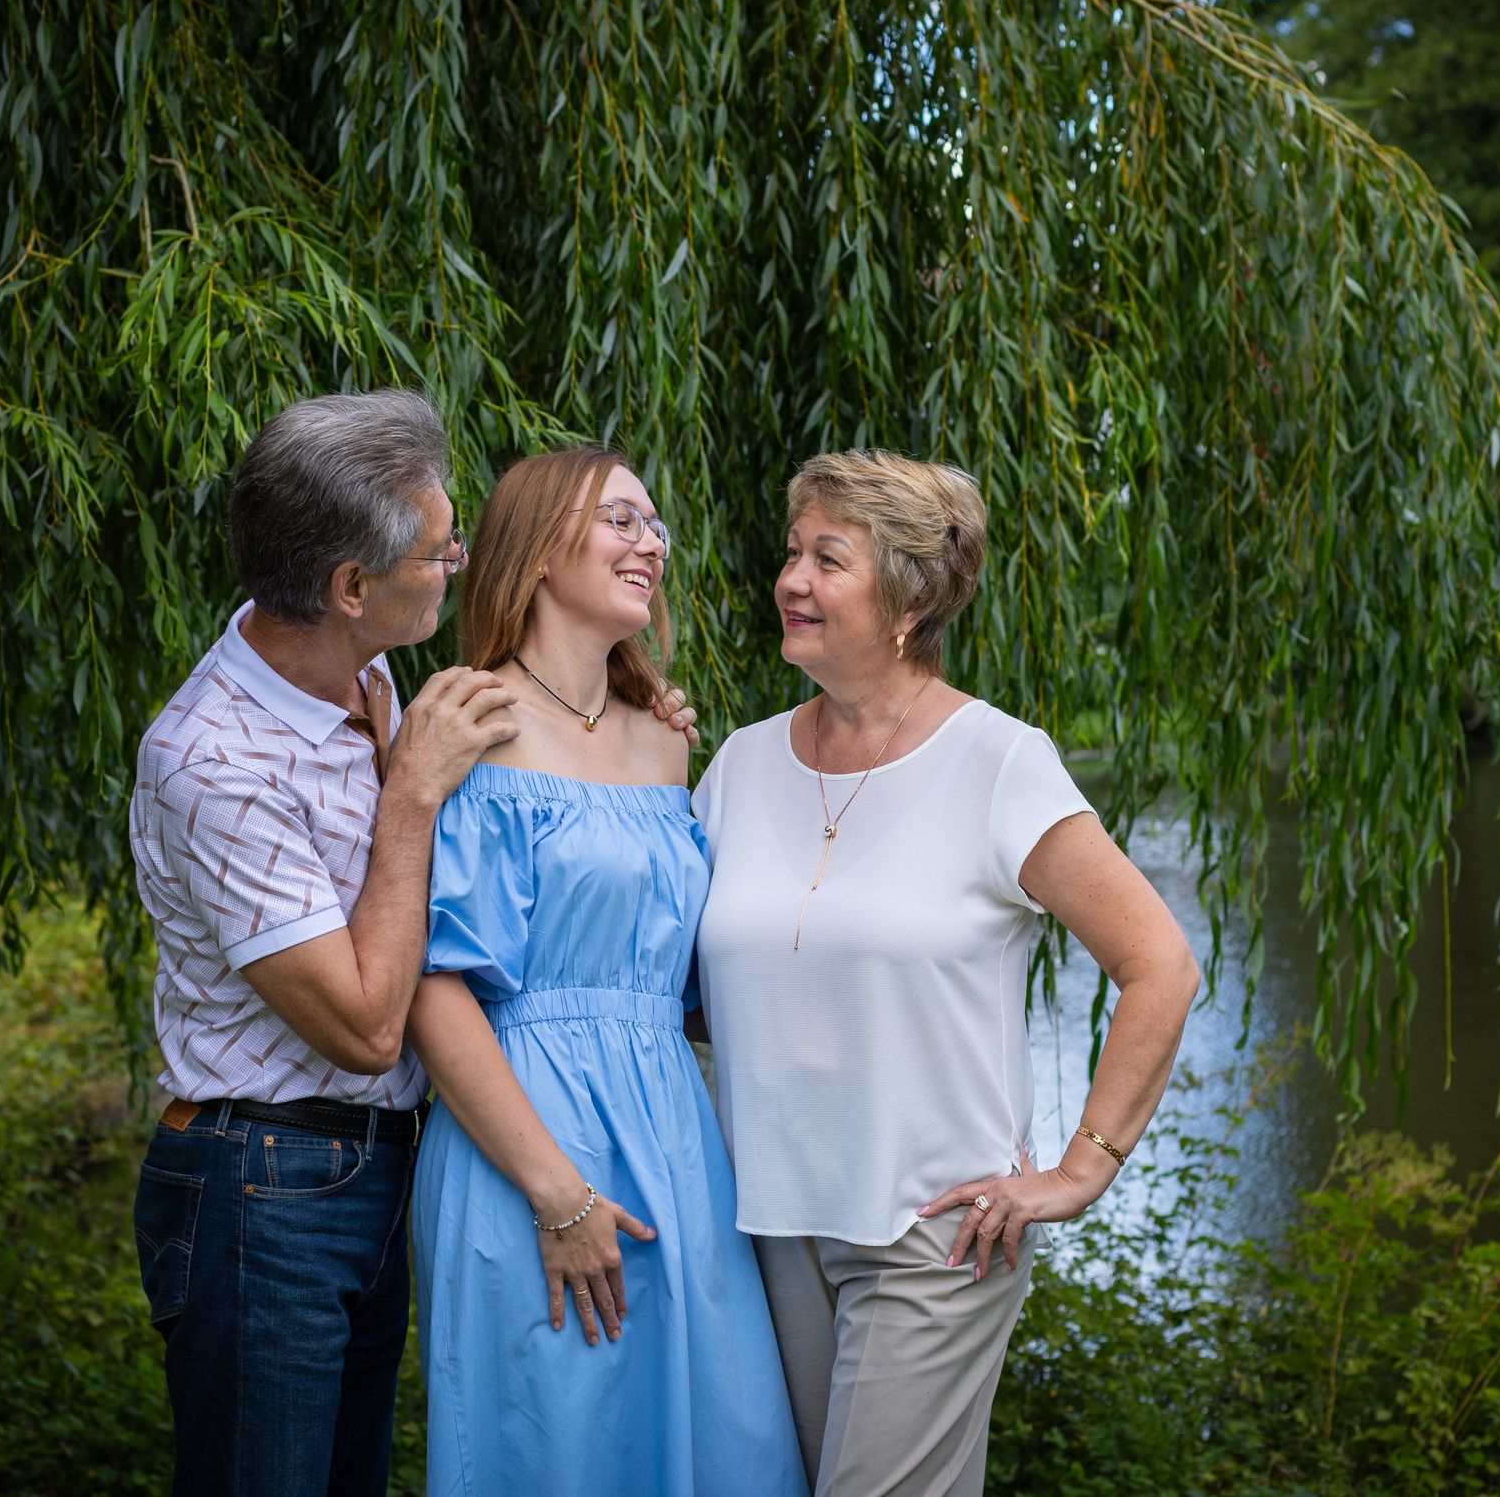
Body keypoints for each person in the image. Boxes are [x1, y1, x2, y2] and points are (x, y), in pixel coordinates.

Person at [127, 391, 693, 1497]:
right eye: (443, 551)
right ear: (351, 588)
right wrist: (413, 798)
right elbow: (366, 1025)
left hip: (380, 1169)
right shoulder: (211, 761)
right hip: (260, 1176)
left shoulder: (371, 671)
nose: (462, 561)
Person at [692, 450, 1201, 1497]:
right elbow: (695, 994)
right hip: (764, 1225)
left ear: (910, 600)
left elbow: (1159, 964)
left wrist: (1081, 1168)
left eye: (827, 558)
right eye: (792, 552)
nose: (790, 579)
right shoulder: (737, 764)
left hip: (931, 1235)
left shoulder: (997, 762)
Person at [405, 447, 807, 1497]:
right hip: (527, 1139)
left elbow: (687, 972)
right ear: (540, 549)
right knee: (558, 1442)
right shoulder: (469, 723)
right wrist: (556, 1193)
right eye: (621, 519)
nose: (652, 543)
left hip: (673, 1135)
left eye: (655, 523)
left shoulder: (665, 744)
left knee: (719, 1433)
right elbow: (433, 988)